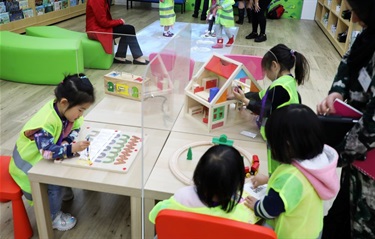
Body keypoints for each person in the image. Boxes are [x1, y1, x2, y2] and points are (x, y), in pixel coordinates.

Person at [316, 0, 375, 238]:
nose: (353, 19)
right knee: (339, 216)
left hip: (368, 166)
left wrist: (330, 158)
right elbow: (349, 62)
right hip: (355, 159)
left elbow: (370, 128)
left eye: (358, 12)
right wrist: (336, 92)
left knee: (361, 227)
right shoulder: (368, 36)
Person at [9, 74, 96, 231]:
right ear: (64, 102)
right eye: (80, 110)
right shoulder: (46, 121)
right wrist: (70, 148)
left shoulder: (66, 112)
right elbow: (47, 152)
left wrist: (67, 142)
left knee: (65, 164)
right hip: (26, 167)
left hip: (43, 157)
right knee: (54, 181)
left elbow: (76, 126)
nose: (81, 114)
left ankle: (61, 193)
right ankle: (53, 216)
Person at [244, 104, 340, 238]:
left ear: (287, 145)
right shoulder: (316, 164)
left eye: (272, 143)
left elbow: (269, 209)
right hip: (313, 230)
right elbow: (297, 190)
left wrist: (256, 206)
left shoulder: (290, 177)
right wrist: (268, 180)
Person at [232, 43, 310, 175]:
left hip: (280, 136)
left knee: (277, 166)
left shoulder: (279, 88)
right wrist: (244, 95)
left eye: (266, 70)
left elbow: (264, 109)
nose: (266, 74)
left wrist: (244, 100)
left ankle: (274, 182)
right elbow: (261, 96)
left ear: (274, 65)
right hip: (286, 133)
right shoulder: (287, 82)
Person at [149, 144, 256, 224]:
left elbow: (154, 216)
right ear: (236, 184)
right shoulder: (237, 214)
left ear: (199, 173)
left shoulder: (181, 197)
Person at [86, 0, 149, 65]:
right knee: (129, 29)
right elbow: (103, 22)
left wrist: (118, 22)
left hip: (99, 28)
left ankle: (120, 56)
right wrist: (119, 21)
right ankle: (136, 57)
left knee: (126, 29)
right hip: (96, 31)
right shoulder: (97, 1)